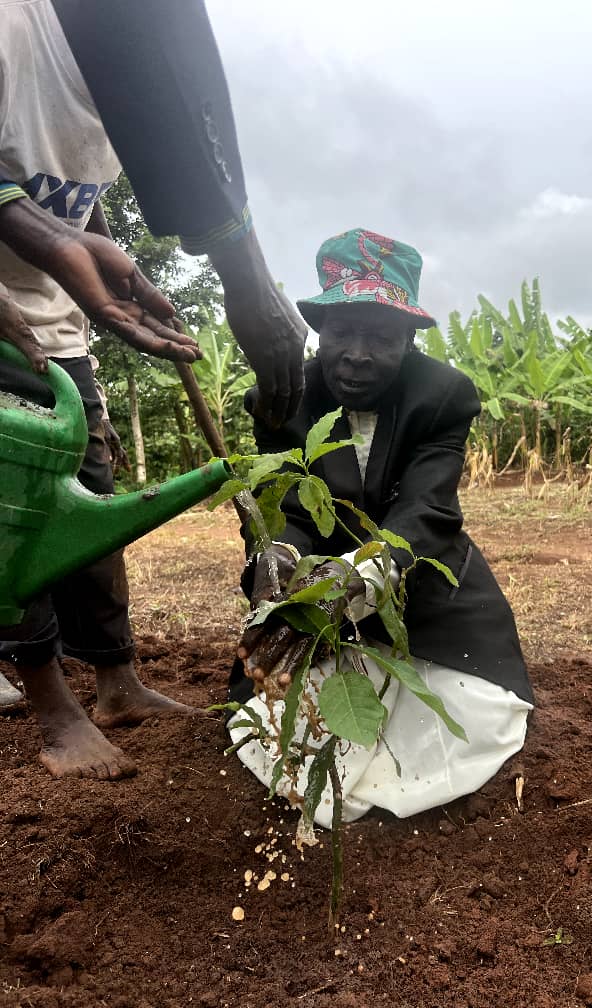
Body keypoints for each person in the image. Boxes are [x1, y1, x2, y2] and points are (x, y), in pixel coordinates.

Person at [226, 229, 534, 827]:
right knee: (277, 716)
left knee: (477, 714)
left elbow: (427, 510)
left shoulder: (443, 395)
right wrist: (279, 557)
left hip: (416, 573)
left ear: (411, 338)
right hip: (313, 585)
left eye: (382, 337)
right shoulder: (282, 394)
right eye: (341, 332)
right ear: (319, 331)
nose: (358, 354)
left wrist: (361, 578)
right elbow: (284, 502)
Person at [0, 0, 208, 777]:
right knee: (17, 508)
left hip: (57, 324)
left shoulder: (130, 83)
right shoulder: (15, 29)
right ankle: (54, 707)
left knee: (92, 491)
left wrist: (107, 259)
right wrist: (54, 242)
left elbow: (71, 206)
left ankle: (118, 679)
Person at [50, 0, 306, 430]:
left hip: (57, 335)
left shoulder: (110, 90)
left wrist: (101, 249)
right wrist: (247, 276)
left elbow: (65, 180)